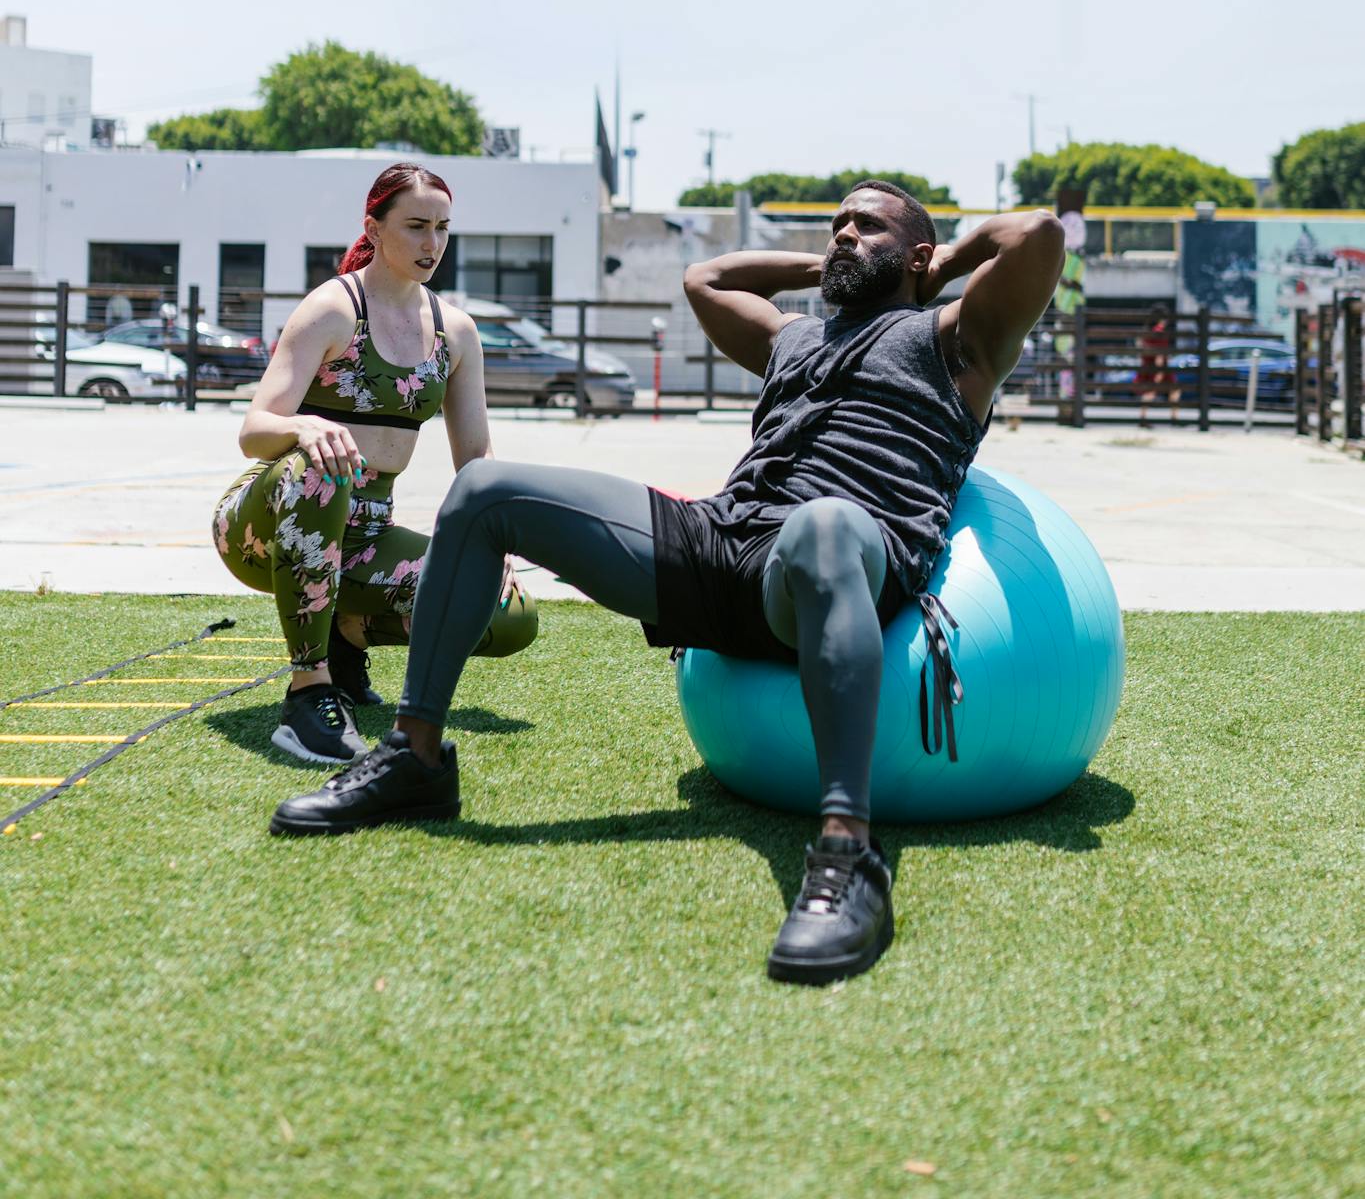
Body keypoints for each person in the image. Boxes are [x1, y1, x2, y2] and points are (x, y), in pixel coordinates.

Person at [270, 183, 1064, 986]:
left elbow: (1034, 234)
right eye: (837, 226)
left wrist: (939, 269)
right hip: (722, 540)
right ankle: (417, 757)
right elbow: (705, 280)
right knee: (484, 494)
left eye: (868, 228)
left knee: (822, 525)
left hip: (830, 563)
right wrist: (826, 261)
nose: (845, 237)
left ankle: (848, 853)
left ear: (919, 255)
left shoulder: (956, 337)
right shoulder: (793, 339)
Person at [211, 161, 536, 768]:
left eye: (442, 228)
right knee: (320, 467)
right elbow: (255, 432)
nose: (431, 243)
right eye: (415, 225)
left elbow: (476, 459)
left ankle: (346, 631)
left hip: (365, 537)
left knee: (507, 615)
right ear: (375, 226)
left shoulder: (456, 332)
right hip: (265, 523)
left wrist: (497, 539)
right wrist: (306, 426)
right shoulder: (332, 310)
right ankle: (308, 694)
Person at [1136, 304, 1180, 426]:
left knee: (1153, 391)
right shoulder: (1160, 332)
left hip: (1147, 364)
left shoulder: (1146, 331)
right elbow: (1159, 354)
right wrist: (1159, 372)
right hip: (1159, 366)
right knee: (1159, 391)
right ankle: (1174, 419)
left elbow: (1140, 347)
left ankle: (1143, 418)